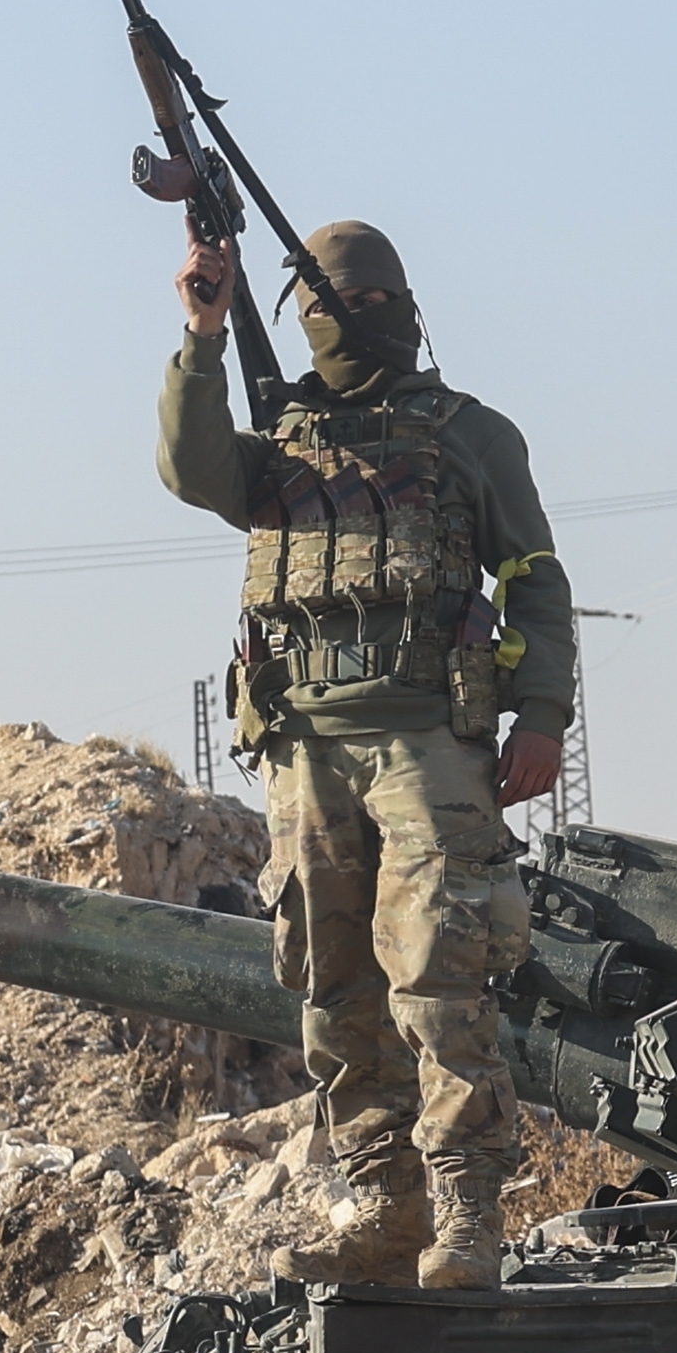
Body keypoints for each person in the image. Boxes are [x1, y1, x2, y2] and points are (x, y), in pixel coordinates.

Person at [156, 218, 577, 1292]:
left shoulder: (469, 434)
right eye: (347, 305)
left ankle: (468, 1211)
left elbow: (533, 571)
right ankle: (387, 1204)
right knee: (333, 983)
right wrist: (203, 332)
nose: (366, 322)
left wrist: (540, 715)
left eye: (380, 303)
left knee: (441, 972)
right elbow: (188, 465)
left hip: (426, 739)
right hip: (304, 748)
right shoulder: (278, 440)